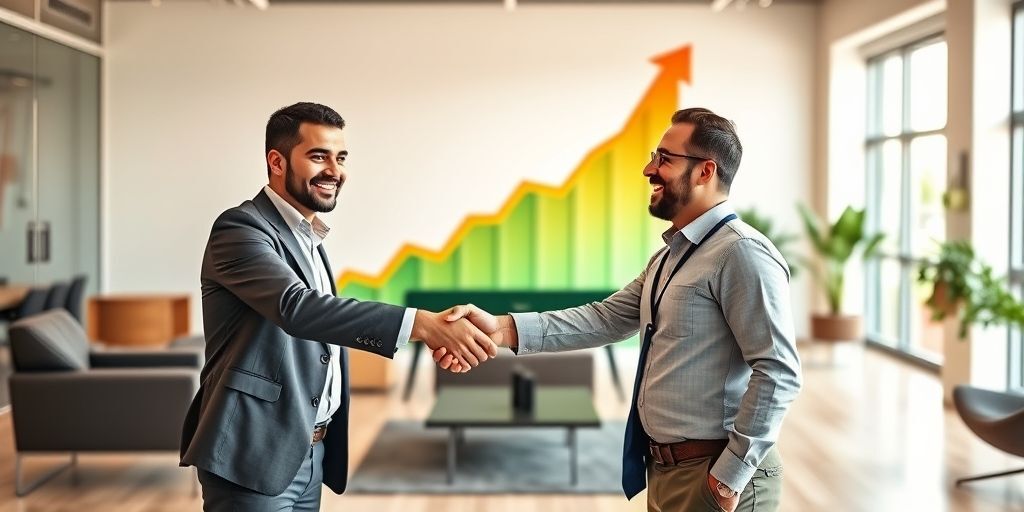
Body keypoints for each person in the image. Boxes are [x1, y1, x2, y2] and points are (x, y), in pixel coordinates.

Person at [438, 108, 802, 512]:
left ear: (705, 172)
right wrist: (500, 329)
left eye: (665, 158)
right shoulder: (669, 257)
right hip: (668, 472)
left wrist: (728, 478)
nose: (649, 169)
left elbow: (778, 370)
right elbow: (605, 318)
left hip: (716, 477)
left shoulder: (742, 253)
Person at [180, 102, 497, 511]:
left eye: (341, 157)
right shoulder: (240, 229)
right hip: (253, 450)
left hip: (310, 450)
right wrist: (421, 324)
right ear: (276, 161)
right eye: (318, 156)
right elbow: (298, 308)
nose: (335, 170)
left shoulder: (308, 237)